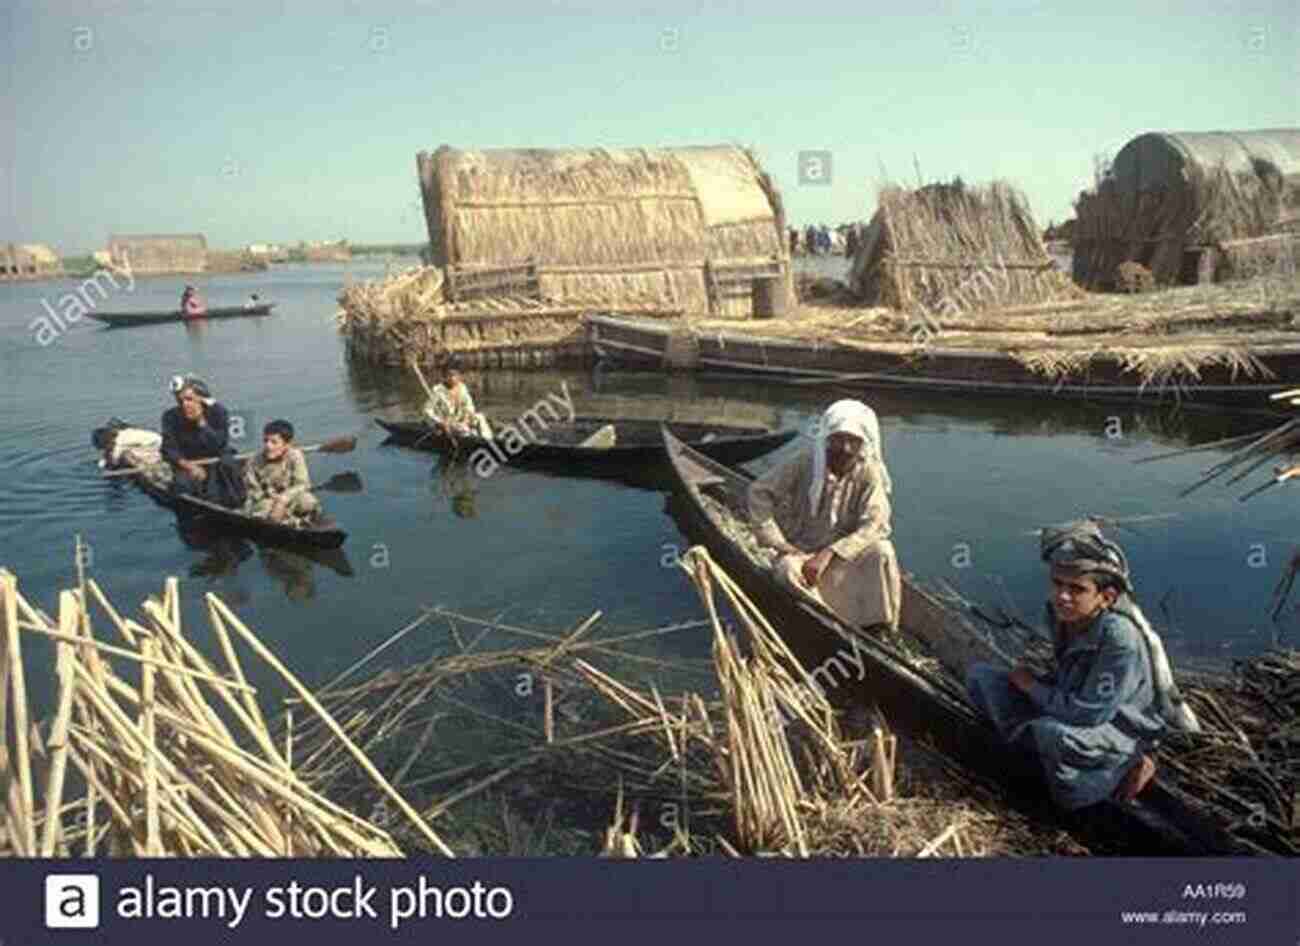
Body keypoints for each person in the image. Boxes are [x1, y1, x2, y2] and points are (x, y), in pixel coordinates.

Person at [965, 521, 1200, 811]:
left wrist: (1032, 687)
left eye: (1076, 589)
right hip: (1071, 702)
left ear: (1106, 597)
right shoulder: (1059, 614)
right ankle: (1031, 742)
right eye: (1057, 584)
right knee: (981, 678)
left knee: (1053, 735)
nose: (1062, 596)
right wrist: (1038, 685)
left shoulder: (1120, 640)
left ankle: (1126, 765)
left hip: (1113, 728)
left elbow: (1090, 714)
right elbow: (1067, 675)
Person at [748, 399, 901, 632]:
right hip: (802, 551)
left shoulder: (868, 472)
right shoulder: (806, 462)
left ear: (863, 443)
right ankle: (826, 621)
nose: (845, 448)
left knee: (882, 551)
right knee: (787, 570)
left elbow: (876, 524)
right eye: (838, 439)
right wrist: (779, 543)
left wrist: (830, 553)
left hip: (843, 556)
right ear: (827, 438)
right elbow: (759, 492)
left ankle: (876, 626)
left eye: (853, 441)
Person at [160, 375, 245, 507]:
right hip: (189, 462)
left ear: (201, 398)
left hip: (216, 458)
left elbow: (219, 444)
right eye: (180, 401)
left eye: (189, 399)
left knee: (230, 468)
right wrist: (189, 466)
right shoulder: (170, 417)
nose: (184, 405)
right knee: (183, 485)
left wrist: (202, 422)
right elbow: (168, 449)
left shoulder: (218, 412)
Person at [243, 419, 322, 525]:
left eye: (274, 442)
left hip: (289, 498)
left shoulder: (295, 456)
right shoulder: (254, 461)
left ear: (287, 444)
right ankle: (293, 522)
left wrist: (283, 499)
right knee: (264, 510)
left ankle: (290, 520)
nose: (268, 446)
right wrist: (271, 497)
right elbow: (252, 491)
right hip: (266, 501)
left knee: (308, 501)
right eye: (265, 441)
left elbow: (302, 484)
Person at [423, 364, 493, 439]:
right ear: (445, 377)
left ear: (459, 376)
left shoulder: (462, 388)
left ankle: (488, 439)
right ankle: (471, 437)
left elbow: (469, 405)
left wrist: (467, 417)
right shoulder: (438, 390)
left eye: (454, 375)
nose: (452, 378)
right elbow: (427, 410)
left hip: (462, 419)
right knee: (463, 430)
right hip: (448, 422)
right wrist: (440, 422)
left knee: (480, 416)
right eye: (449, 375)